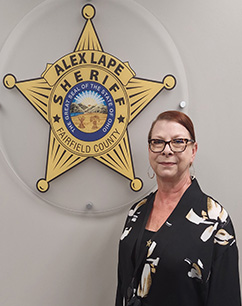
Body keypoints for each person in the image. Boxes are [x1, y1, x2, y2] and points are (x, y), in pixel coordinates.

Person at [115, 110, 241, 306]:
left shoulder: (216, 220)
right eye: (158, 142)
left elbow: (226, 298)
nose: (167, 150)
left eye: (178, 141)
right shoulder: (136, 212)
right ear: (150, 150)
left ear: (193, 151)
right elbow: (124, 287)